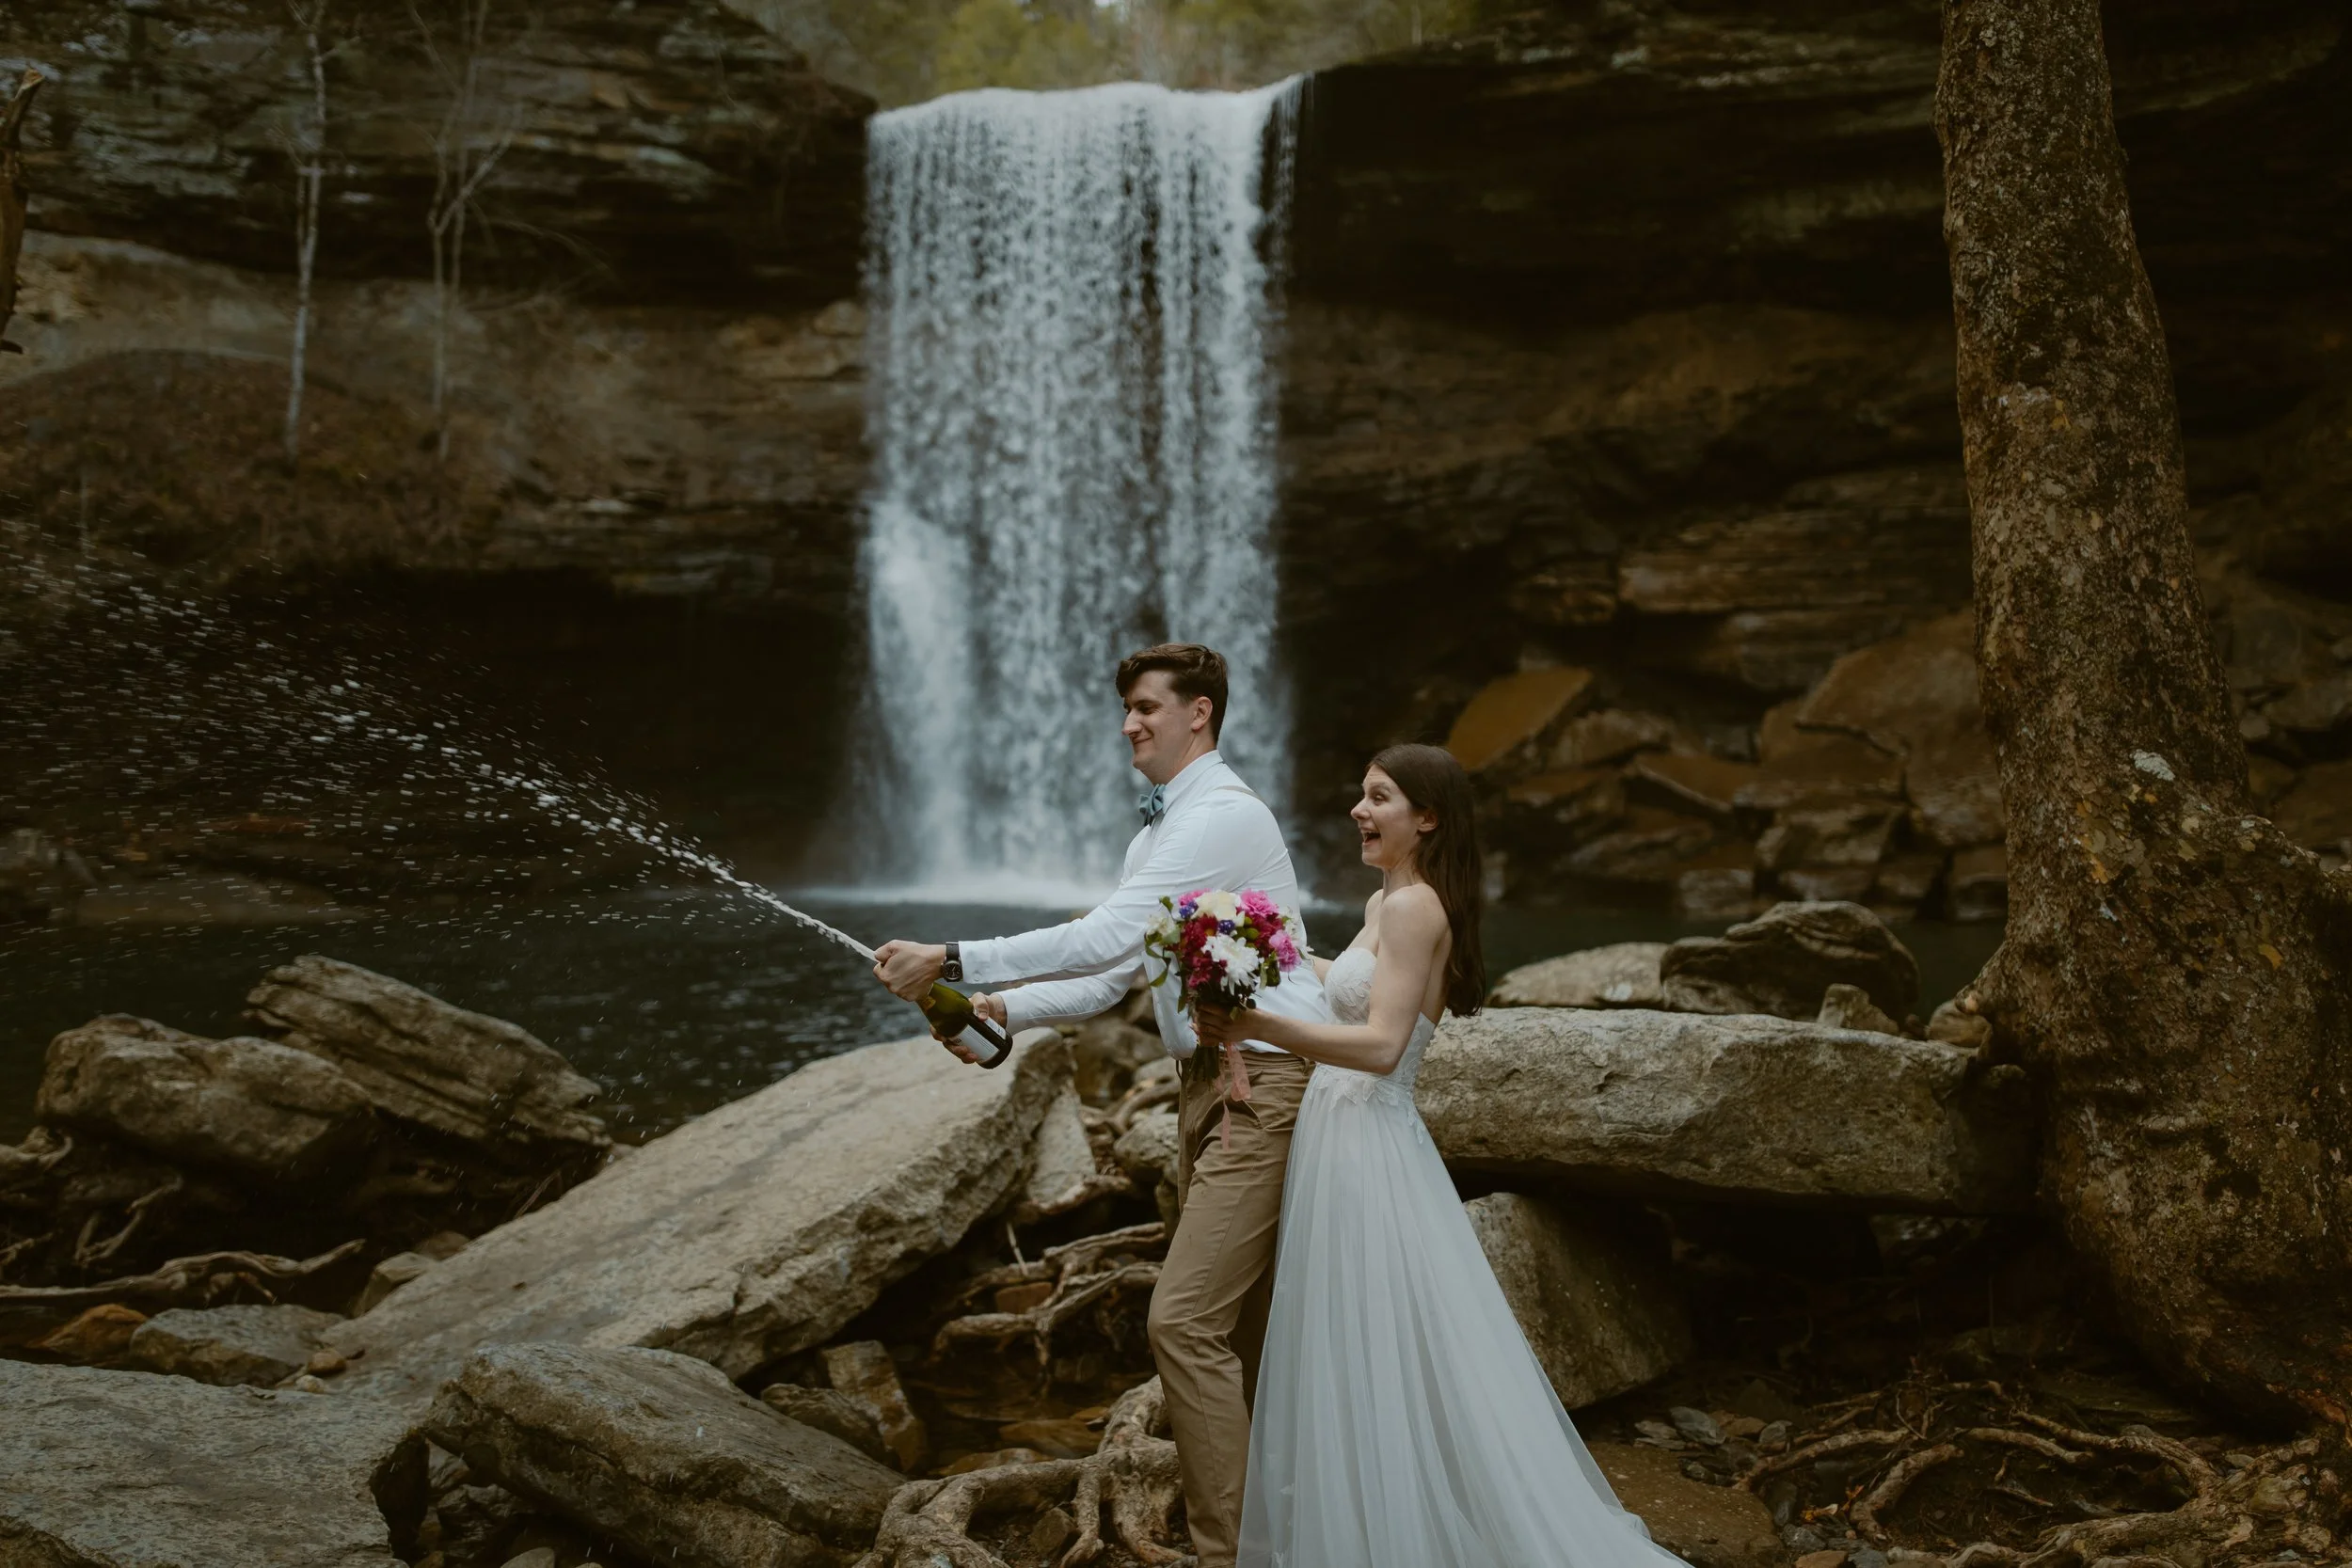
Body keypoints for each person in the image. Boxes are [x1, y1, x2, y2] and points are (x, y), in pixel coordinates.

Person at [871, 641, 1330, 1568]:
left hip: (1268, 1078)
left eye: (1147, 706)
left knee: (1183, 1321)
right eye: (1124, 707)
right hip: (1212, 1080)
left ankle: (1224, 1552)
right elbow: (1115, 974)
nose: (1128, 723)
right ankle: (1284, 1534)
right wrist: (1001, 1009)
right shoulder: (1157, 835)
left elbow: (1107, 933)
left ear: (1199, 712)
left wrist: (951, 958)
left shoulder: (1225, 814)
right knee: (1240, 1328)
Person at [1197, 742, 1692, 1568]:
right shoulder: (1385, 901)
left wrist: (1261, 1026)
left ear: (1426, 817)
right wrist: (1257, 945)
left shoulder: (1417, 906)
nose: (1360, 809)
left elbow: (1383, 1043)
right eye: (1362, 793)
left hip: (1368, 1139)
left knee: (1376, 1335)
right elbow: (1349, 981)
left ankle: (1394, 1534)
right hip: (1339, 1132)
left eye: (1380, 797)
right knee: (1347, 1333)